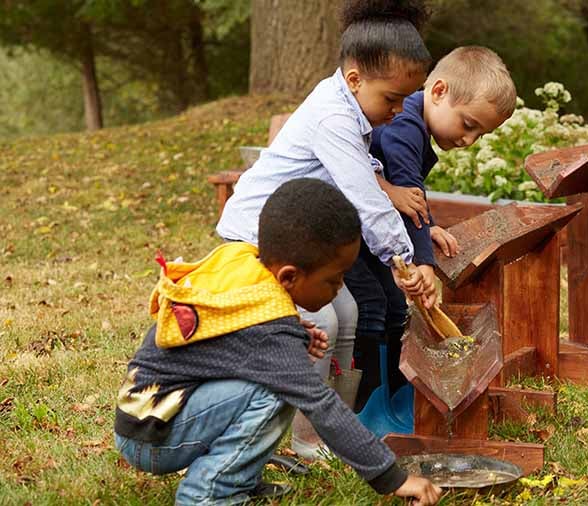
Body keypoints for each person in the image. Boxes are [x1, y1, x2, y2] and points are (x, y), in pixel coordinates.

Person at [114, 178, 442, 505]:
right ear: (288, 277)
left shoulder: (242, 258)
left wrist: (295, 332)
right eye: (333, 279)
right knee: (274, 392)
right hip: (154, 437)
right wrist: (393, 478)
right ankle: (209, 493)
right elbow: (323, 407)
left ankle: (237, 480)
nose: (340, 289)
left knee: (271, 380)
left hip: (144, 415)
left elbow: (231, 335)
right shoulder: (271, 330)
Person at [214, 0, 437, 456]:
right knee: (320, 321)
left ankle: (337, 424)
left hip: (299, 241)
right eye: (391, 99)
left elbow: (361, 169)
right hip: (257, 239)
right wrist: (403, 261)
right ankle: (303, 437)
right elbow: (363, 198)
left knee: (349, 315)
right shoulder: (333, 115)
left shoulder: (347, 104)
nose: (398, 111)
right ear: (355, 79)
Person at [349, 46, 517, 409]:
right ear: (438, 91)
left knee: (395, 307)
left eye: (480, 135)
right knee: (372, 306)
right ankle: (360, 405)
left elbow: (405, 195)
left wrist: (430, 227)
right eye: (468, 124)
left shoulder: (414, 123)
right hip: (343, 234)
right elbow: (409, 191)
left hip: (373, 234)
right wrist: (423, 261)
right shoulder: (404, 126)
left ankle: (395, 397)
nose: (468, 140)